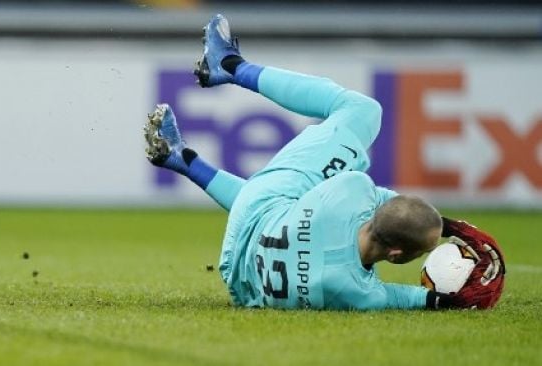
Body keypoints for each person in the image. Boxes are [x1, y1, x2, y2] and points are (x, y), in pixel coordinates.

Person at [144, 14, 505, 310]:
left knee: (362, 111)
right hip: (240, 275)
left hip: (259, 208)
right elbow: (410, 298)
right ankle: (180, 157)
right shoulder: (357, 294)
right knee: (274, 207)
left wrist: (449, 226)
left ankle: (230, 65)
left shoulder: (353, 191)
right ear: (396, 256)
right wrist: (446, 301)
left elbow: (392, 209)